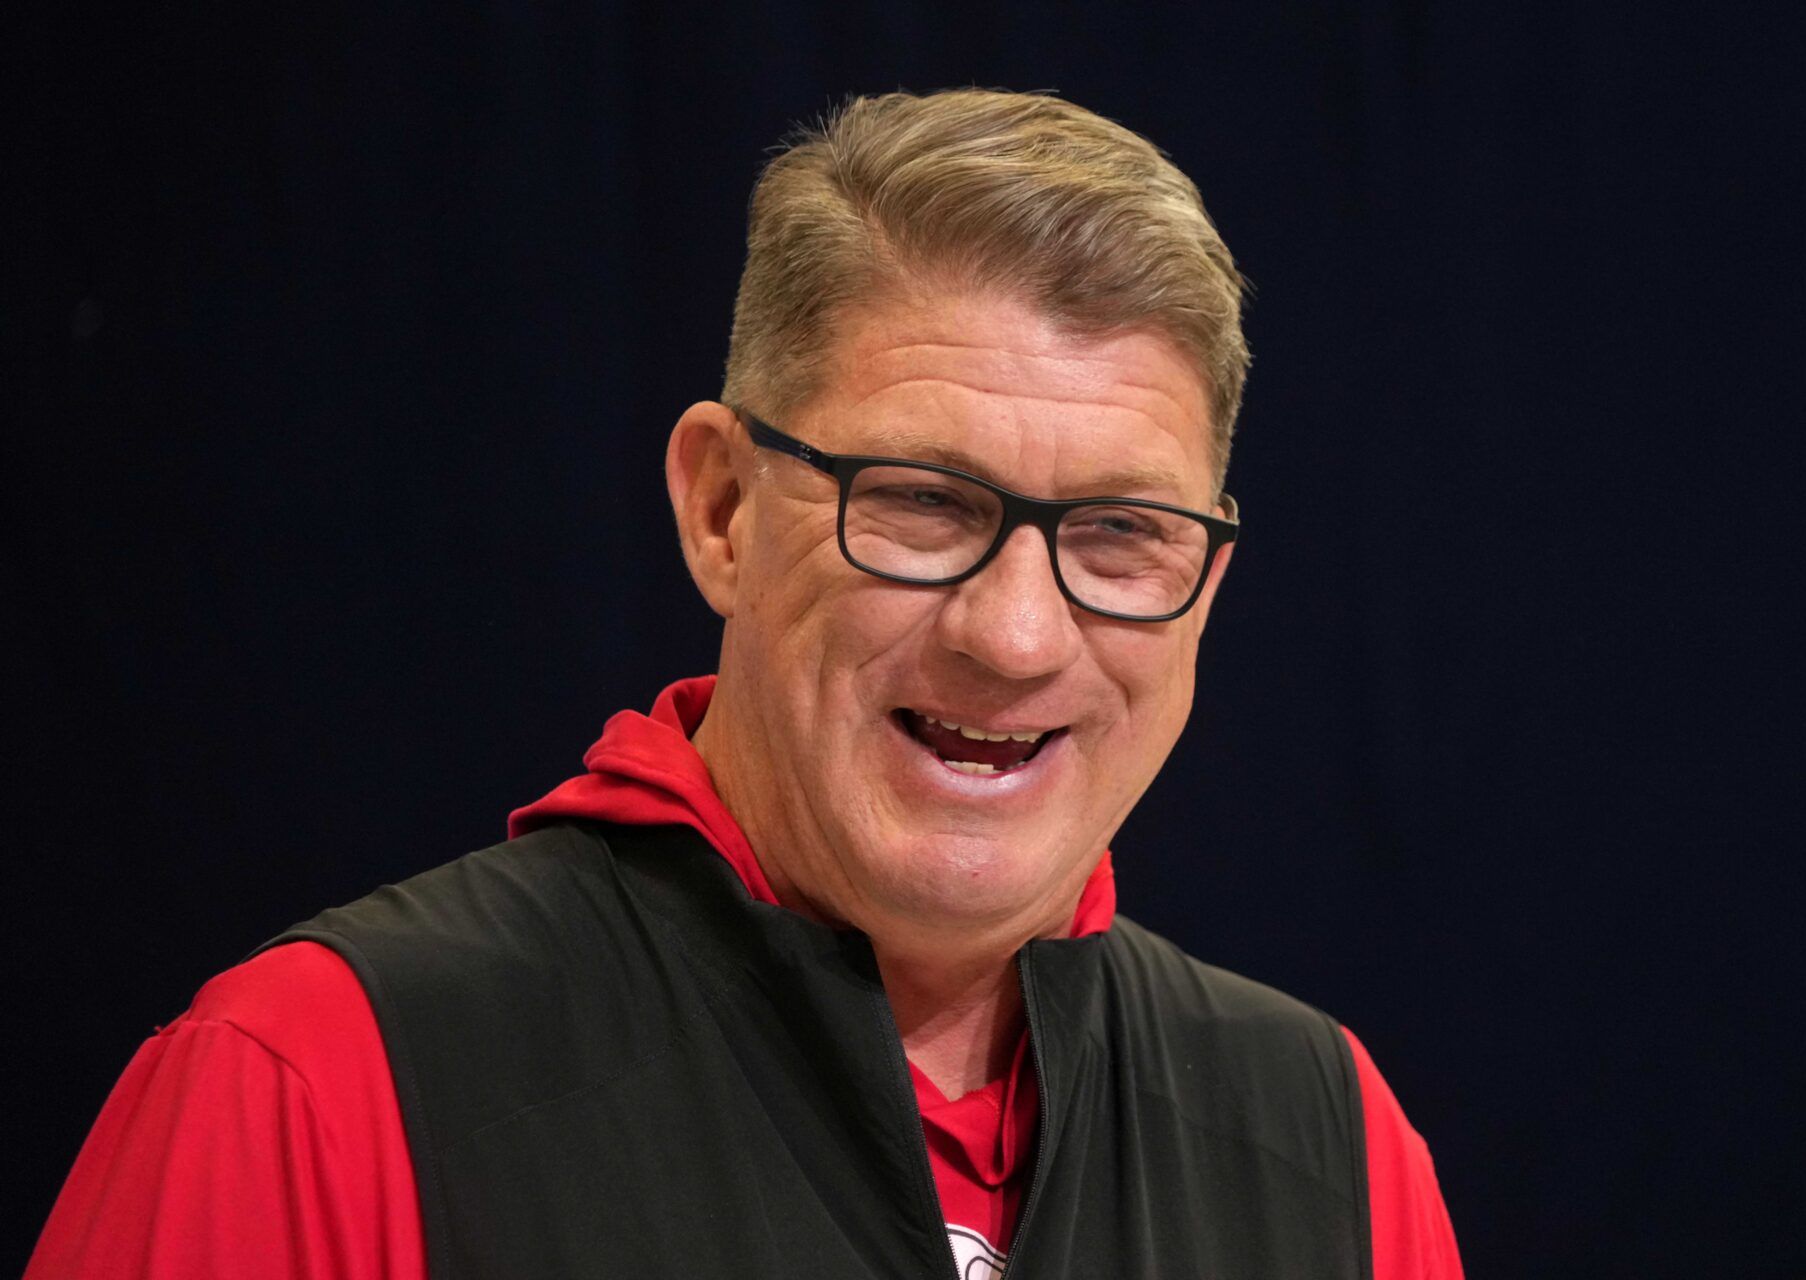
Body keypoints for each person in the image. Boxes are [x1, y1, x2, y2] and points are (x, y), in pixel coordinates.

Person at [28, 89, 1461, 1279]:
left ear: (1206, 585)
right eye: (923, 503)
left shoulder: (1334, 1152)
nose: (1016, 635)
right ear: (721, 509)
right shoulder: (312, 1091)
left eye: (1121, 535)